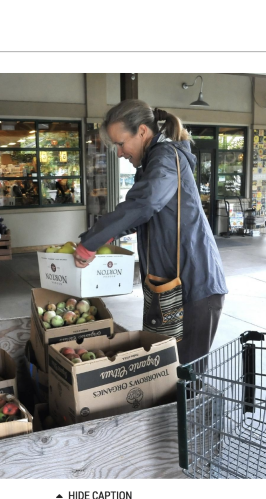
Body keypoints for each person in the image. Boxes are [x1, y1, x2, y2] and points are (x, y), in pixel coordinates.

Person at [73, 99, 228, 365]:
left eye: (121, 144)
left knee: (184, 380)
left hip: (194, 287)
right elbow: (146, 214)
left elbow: (145, 204)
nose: (119, 153)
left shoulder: (165, 158)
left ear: (142, 132)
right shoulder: (153, 163)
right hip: (172, 286)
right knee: (165, 371)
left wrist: (92, 241)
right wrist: (104, 238)